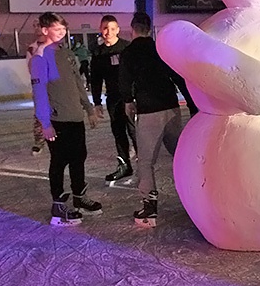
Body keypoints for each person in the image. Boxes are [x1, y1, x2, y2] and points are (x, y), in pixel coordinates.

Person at [29, 12, 102, 226]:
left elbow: (78, 83)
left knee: (79, 157)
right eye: (57, 29)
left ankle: (80, 198)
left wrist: (88, 109)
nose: (62, 32)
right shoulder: (40, 58)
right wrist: (45, 123)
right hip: (57, 120)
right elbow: (39, 92)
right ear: (44, 30)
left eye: (63, 29)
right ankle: (58, 208)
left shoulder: (67, 54)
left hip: (75, 118)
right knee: (59, 161)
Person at [119, 12, 190, 228]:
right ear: (149, 29)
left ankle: (149, 208)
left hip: (149, 111)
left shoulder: (129, 52)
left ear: (132, 28)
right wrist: (192, 103)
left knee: (146, 161)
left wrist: (127, 101)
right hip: (171, 109)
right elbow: (178, 76)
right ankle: (197, 197)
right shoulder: (160, 49)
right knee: (180, 155)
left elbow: (124, 80)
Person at [91, 15, 137, 182]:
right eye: (105, 28)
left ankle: (144, 166)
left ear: (118, 30)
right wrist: (97, 103)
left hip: (130, 98)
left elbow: (136, 74)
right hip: (113, 99)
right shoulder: (98, 53)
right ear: (100, 30)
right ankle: (124, 165)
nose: (108, 32)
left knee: (134, 131)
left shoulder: (127, 48)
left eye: (111, 28)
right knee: (118, 132)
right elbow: (95, 79)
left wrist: (133, 97)